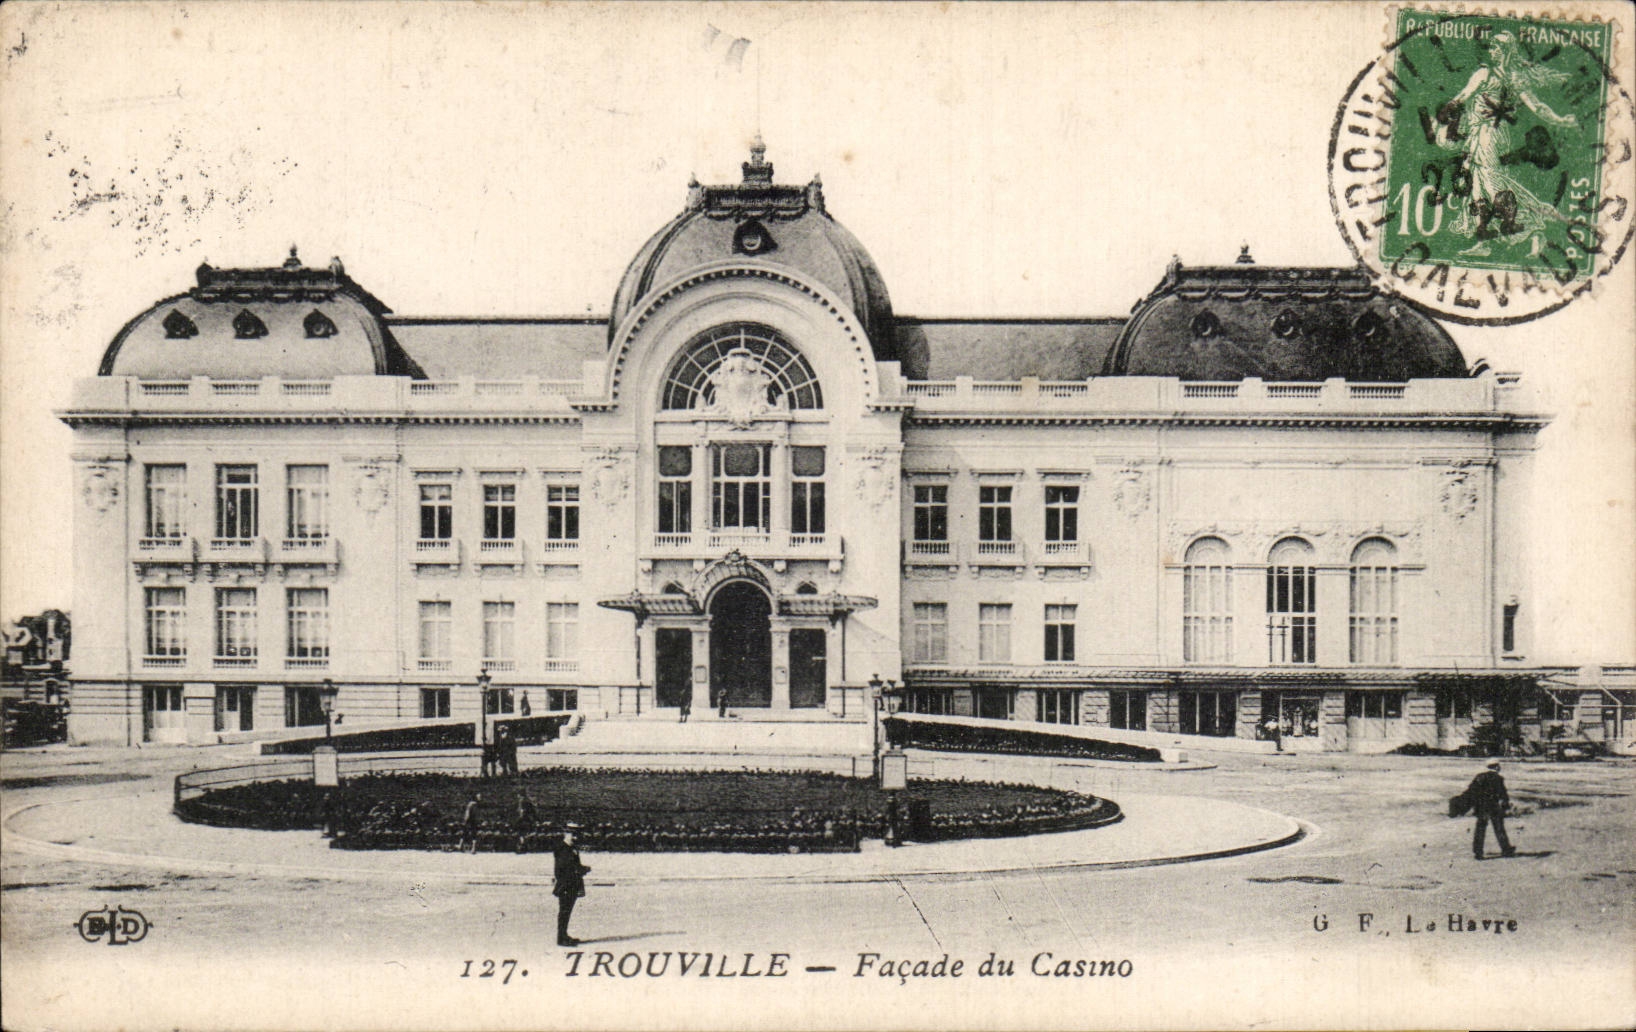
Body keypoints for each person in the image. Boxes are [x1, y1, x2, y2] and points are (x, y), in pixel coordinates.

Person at [1435, 31, 1578, 256]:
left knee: (1493, 187)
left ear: (1506, 52)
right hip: (1481, 136)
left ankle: (1532, 229)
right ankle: (1484, 242)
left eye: (1496, 49)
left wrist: (1559, 120)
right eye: (1491, 48)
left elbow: (1537, 107)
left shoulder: (1499, 76)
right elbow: (1463, 96)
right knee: (1477, 188)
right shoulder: (1491, 74)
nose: (1491, 52)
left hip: (1489, 136)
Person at [1464, 761, 1515, 860]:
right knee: (1499, 828)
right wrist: (1506, 805)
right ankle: (1506, 849)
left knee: (1480, 829)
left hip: (1481, 806)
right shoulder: (1498, 778)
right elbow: (1502, 793)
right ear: (1496, 767)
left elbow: (1472, 791)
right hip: (1494, 807)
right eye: (1498, 766)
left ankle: (1478, 852)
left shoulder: (1479, 777)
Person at [552, 827, 591, 946]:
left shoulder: (570, 848)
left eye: (576, 834)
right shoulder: (563, 849)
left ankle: (564, 935)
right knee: (564, 912)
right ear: (566, 834)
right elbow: (563, 869)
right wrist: (582, 869)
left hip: (571, 884)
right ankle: (561, 938)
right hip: (566, 885)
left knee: (566, 912)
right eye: (572, 834)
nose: (575, 837)